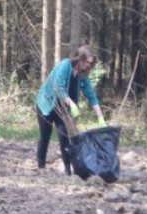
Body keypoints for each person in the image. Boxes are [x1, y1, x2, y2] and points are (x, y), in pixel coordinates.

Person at [35, 44, 106, 176]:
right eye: (88, 63)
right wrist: (72, 104)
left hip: (62, 109)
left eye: (92, 65)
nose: (89, 67)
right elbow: (59, 87)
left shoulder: (82, 76)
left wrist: (100, 117)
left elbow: (91, 95)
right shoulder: (65, 66)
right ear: (81, 59)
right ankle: (41, 168)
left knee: (65, 138)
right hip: (46, 104)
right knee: (45, 136)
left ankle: (68, 171)